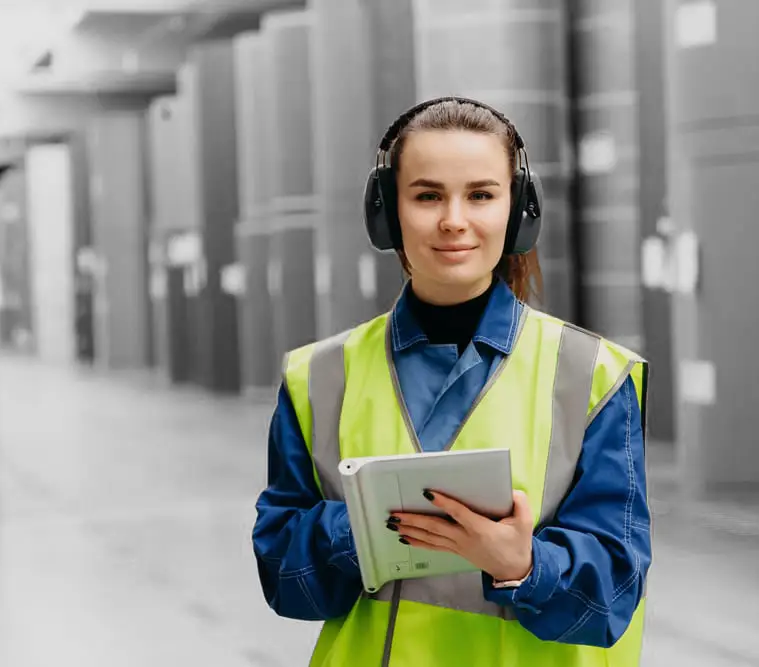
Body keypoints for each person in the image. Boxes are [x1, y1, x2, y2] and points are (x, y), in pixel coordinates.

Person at [251, 97, 651, 667]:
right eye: (427, 195)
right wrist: (360, 528)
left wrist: (525, 566)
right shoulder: (317, 377)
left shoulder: (594, 377)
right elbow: (284, 580)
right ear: (387, 213)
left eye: (482, 195)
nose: (453, 220)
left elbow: (612, 599)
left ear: (518, 212)